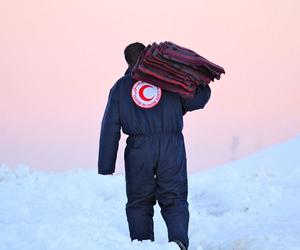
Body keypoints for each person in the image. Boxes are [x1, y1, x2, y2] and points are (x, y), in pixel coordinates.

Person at [98, 42, 211, 250]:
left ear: (127, 61)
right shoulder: (168, 79)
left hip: (138, 149)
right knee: (174, 197)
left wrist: (106, 164)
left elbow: (110, 126)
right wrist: (202, 82)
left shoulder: (120, 87)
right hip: (171, 146)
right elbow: (196, 100)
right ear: (147, 55)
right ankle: (178, 243)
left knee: (139, 201)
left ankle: (142, 245)